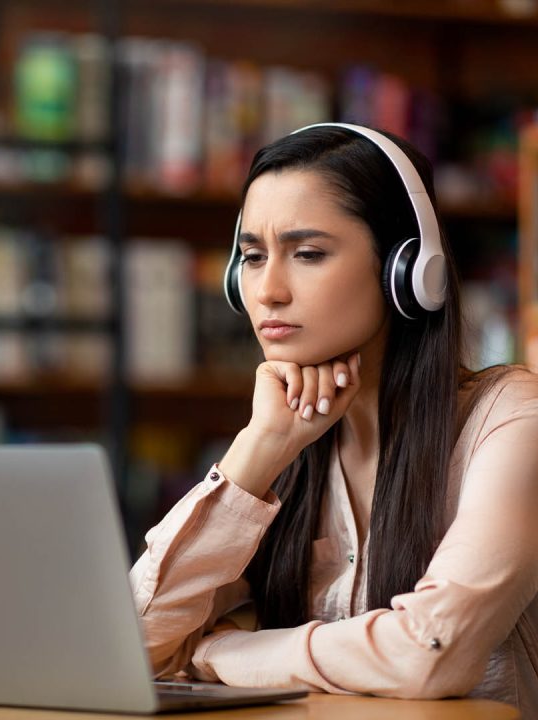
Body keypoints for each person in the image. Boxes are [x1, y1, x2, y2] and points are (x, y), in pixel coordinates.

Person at [129, 123, 538, 715]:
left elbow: (430, 652)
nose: (267, 290)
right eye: (251, 257)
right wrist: (259, 449)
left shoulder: (511, 422)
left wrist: (222, 656)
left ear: (407, 271)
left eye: (308, 253)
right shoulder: (288, 443)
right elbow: (134, 645)